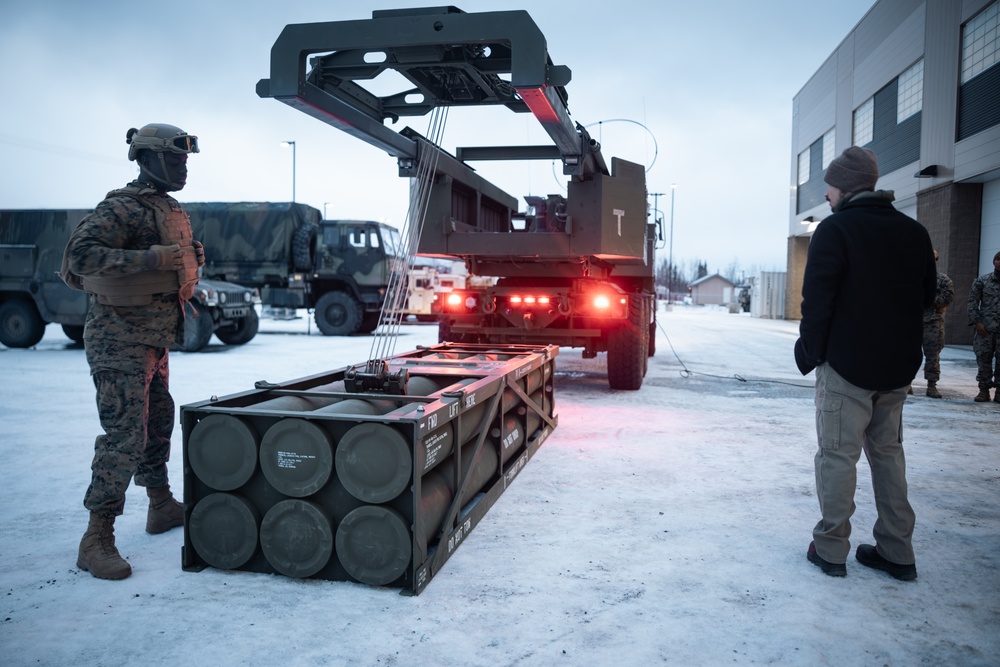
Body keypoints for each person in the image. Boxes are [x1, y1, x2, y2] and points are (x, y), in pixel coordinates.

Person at [61, 123, 204, 580]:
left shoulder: (166, 207)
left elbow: (167, 261)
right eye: (176, 158)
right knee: (124, 437)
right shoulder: (121, 206)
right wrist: (156, 259)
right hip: (117, 339)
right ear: (148, 158)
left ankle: (160, 504)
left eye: (186, 159)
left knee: (159, 422)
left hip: (153, 338)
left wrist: (187, 258)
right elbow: (80, 257)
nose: (184, 166)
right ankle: (96, 538)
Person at [794, 146, 935, 581]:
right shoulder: (915, 233)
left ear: (847, 186)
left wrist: (809, 351)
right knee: (888, 456)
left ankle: (831, 548)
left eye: (830, 186)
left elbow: (817, 302)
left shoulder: (835, 231)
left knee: (837, 456)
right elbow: (927, 299)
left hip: (847, 369)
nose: (827, 194)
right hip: (896, 372)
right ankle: (898, 550)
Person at [919, 250, 955, 398]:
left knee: (933, 356)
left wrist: (926, 300)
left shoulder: (943, 279)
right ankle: (906, 384)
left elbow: (946, 298)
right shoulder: (913, 278)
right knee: (906, 354)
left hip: (933, 323)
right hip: (912, 322)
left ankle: (931, 385)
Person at [968, 250, 1000, 403]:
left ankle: (999, 392)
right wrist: (977, 322)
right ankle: (983, 390)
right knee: (984, 360)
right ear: (994, 262)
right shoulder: (983, 281)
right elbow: (972, 303)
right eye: (998, 259)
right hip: (985, 330)